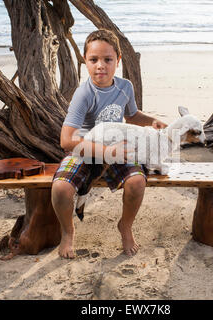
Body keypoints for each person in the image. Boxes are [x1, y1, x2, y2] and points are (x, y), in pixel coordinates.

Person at [51, 29, 167, 259]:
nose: (100, 66)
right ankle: (67, 230)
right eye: (93, 60)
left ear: (118, 61)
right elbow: (67, 140)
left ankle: (125, 225)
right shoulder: (83, 94)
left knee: (136, 183)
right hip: (87, 148)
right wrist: (106, 152)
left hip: (117, 147)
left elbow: (132, 115)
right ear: (86, 61)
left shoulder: (125, 87)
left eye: (107, 60)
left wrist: (153, 121)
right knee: (61, 189)